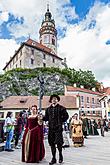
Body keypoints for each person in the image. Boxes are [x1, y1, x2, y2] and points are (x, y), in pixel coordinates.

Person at [44, 94, 69, 165]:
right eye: (52, 99)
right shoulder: (48, 109)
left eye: (55, 99)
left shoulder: (62, 108)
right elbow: (46, 118)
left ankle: (60, 155)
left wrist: (60, 121)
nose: (54, 100)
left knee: (59, 143)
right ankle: (53, 158)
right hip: (51, 128)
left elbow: (66, 116)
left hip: (58, 128)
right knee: (52, 143)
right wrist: (41, 118)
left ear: (57, 100)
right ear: (51, 100)